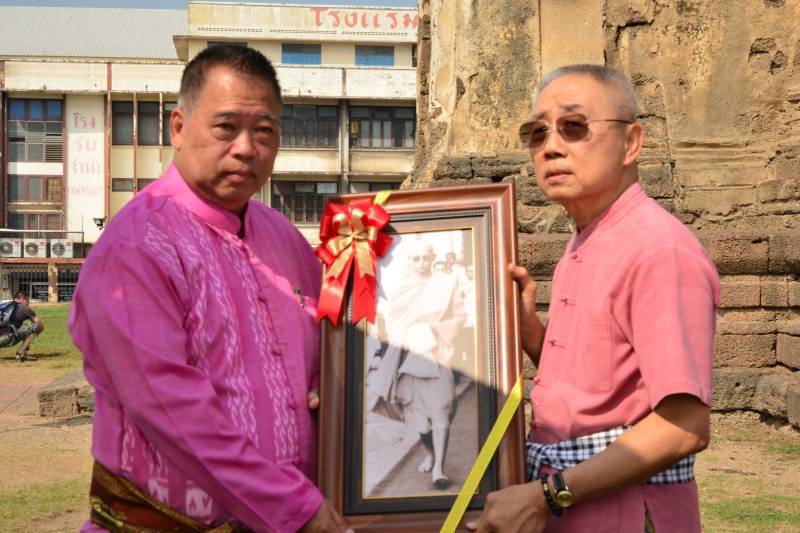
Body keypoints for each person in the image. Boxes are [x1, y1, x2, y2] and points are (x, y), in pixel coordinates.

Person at [69, 45, 351, 532]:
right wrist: (293, 508)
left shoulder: (284, 237)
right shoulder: (137, 246)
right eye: (226, 127)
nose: (246, 148)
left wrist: (334, 384)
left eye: (264, 131)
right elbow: (169, 408)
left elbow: (328, 349)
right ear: (178, 128)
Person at [469, 64, 719, 532]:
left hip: (624, 514)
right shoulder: (586, 240)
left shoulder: (658, 250)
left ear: (631, 143)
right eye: (537, 132)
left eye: (574, 126)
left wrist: (546, 495)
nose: (551, 146)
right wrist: (531, 333)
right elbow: (601, 390)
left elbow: (684, 425)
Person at [367, 239, 467, 490]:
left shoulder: (446, 284)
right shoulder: (402, 289)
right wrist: (408, 332)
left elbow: (459, 316)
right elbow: (393, 324)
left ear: (433, 259)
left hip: (436, 353)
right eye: (417, 259)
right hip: (407, 360)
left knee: (442, 409)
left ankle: (439, 468)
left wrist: (434, 329)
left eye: (426, 258)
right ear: (410, 262)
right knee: (419, 419)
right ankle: (431, 453)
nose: (422, 263)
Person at [0, 291, 45, 362]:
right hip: (5, 339)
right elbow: (40, 325)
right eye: (28, 301)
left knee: (20, 328)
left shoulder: (4, 305)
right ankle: (20, 353)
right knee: (35, 326)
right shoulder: (24, 308)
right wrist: (28, 341)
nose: (28, 304)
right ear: (22, 299)